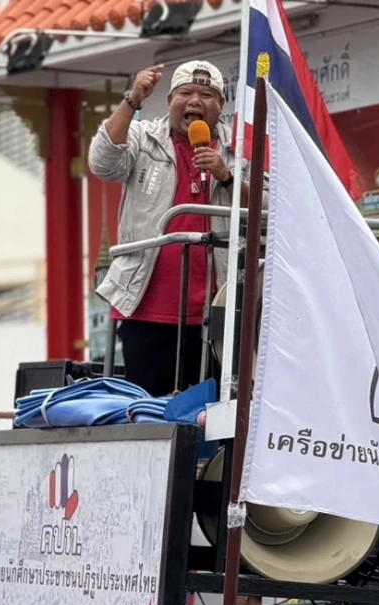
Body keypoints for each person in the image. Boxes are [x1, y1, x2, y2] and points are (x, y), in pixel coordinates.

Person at [89, 60, 240, 396]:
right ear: (170, 99)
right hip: (148, 310)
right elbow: (102, 163)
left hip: (217, 313)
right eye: (186, 93)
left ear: (222, 105)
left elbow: (269, 204)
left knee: (211, 418)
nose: (195, 101)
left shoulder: (238, 149)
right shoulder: (143, 138)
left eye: (207, 94)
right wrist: (132, 100)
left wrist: (227, 176)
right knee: (151, 413)